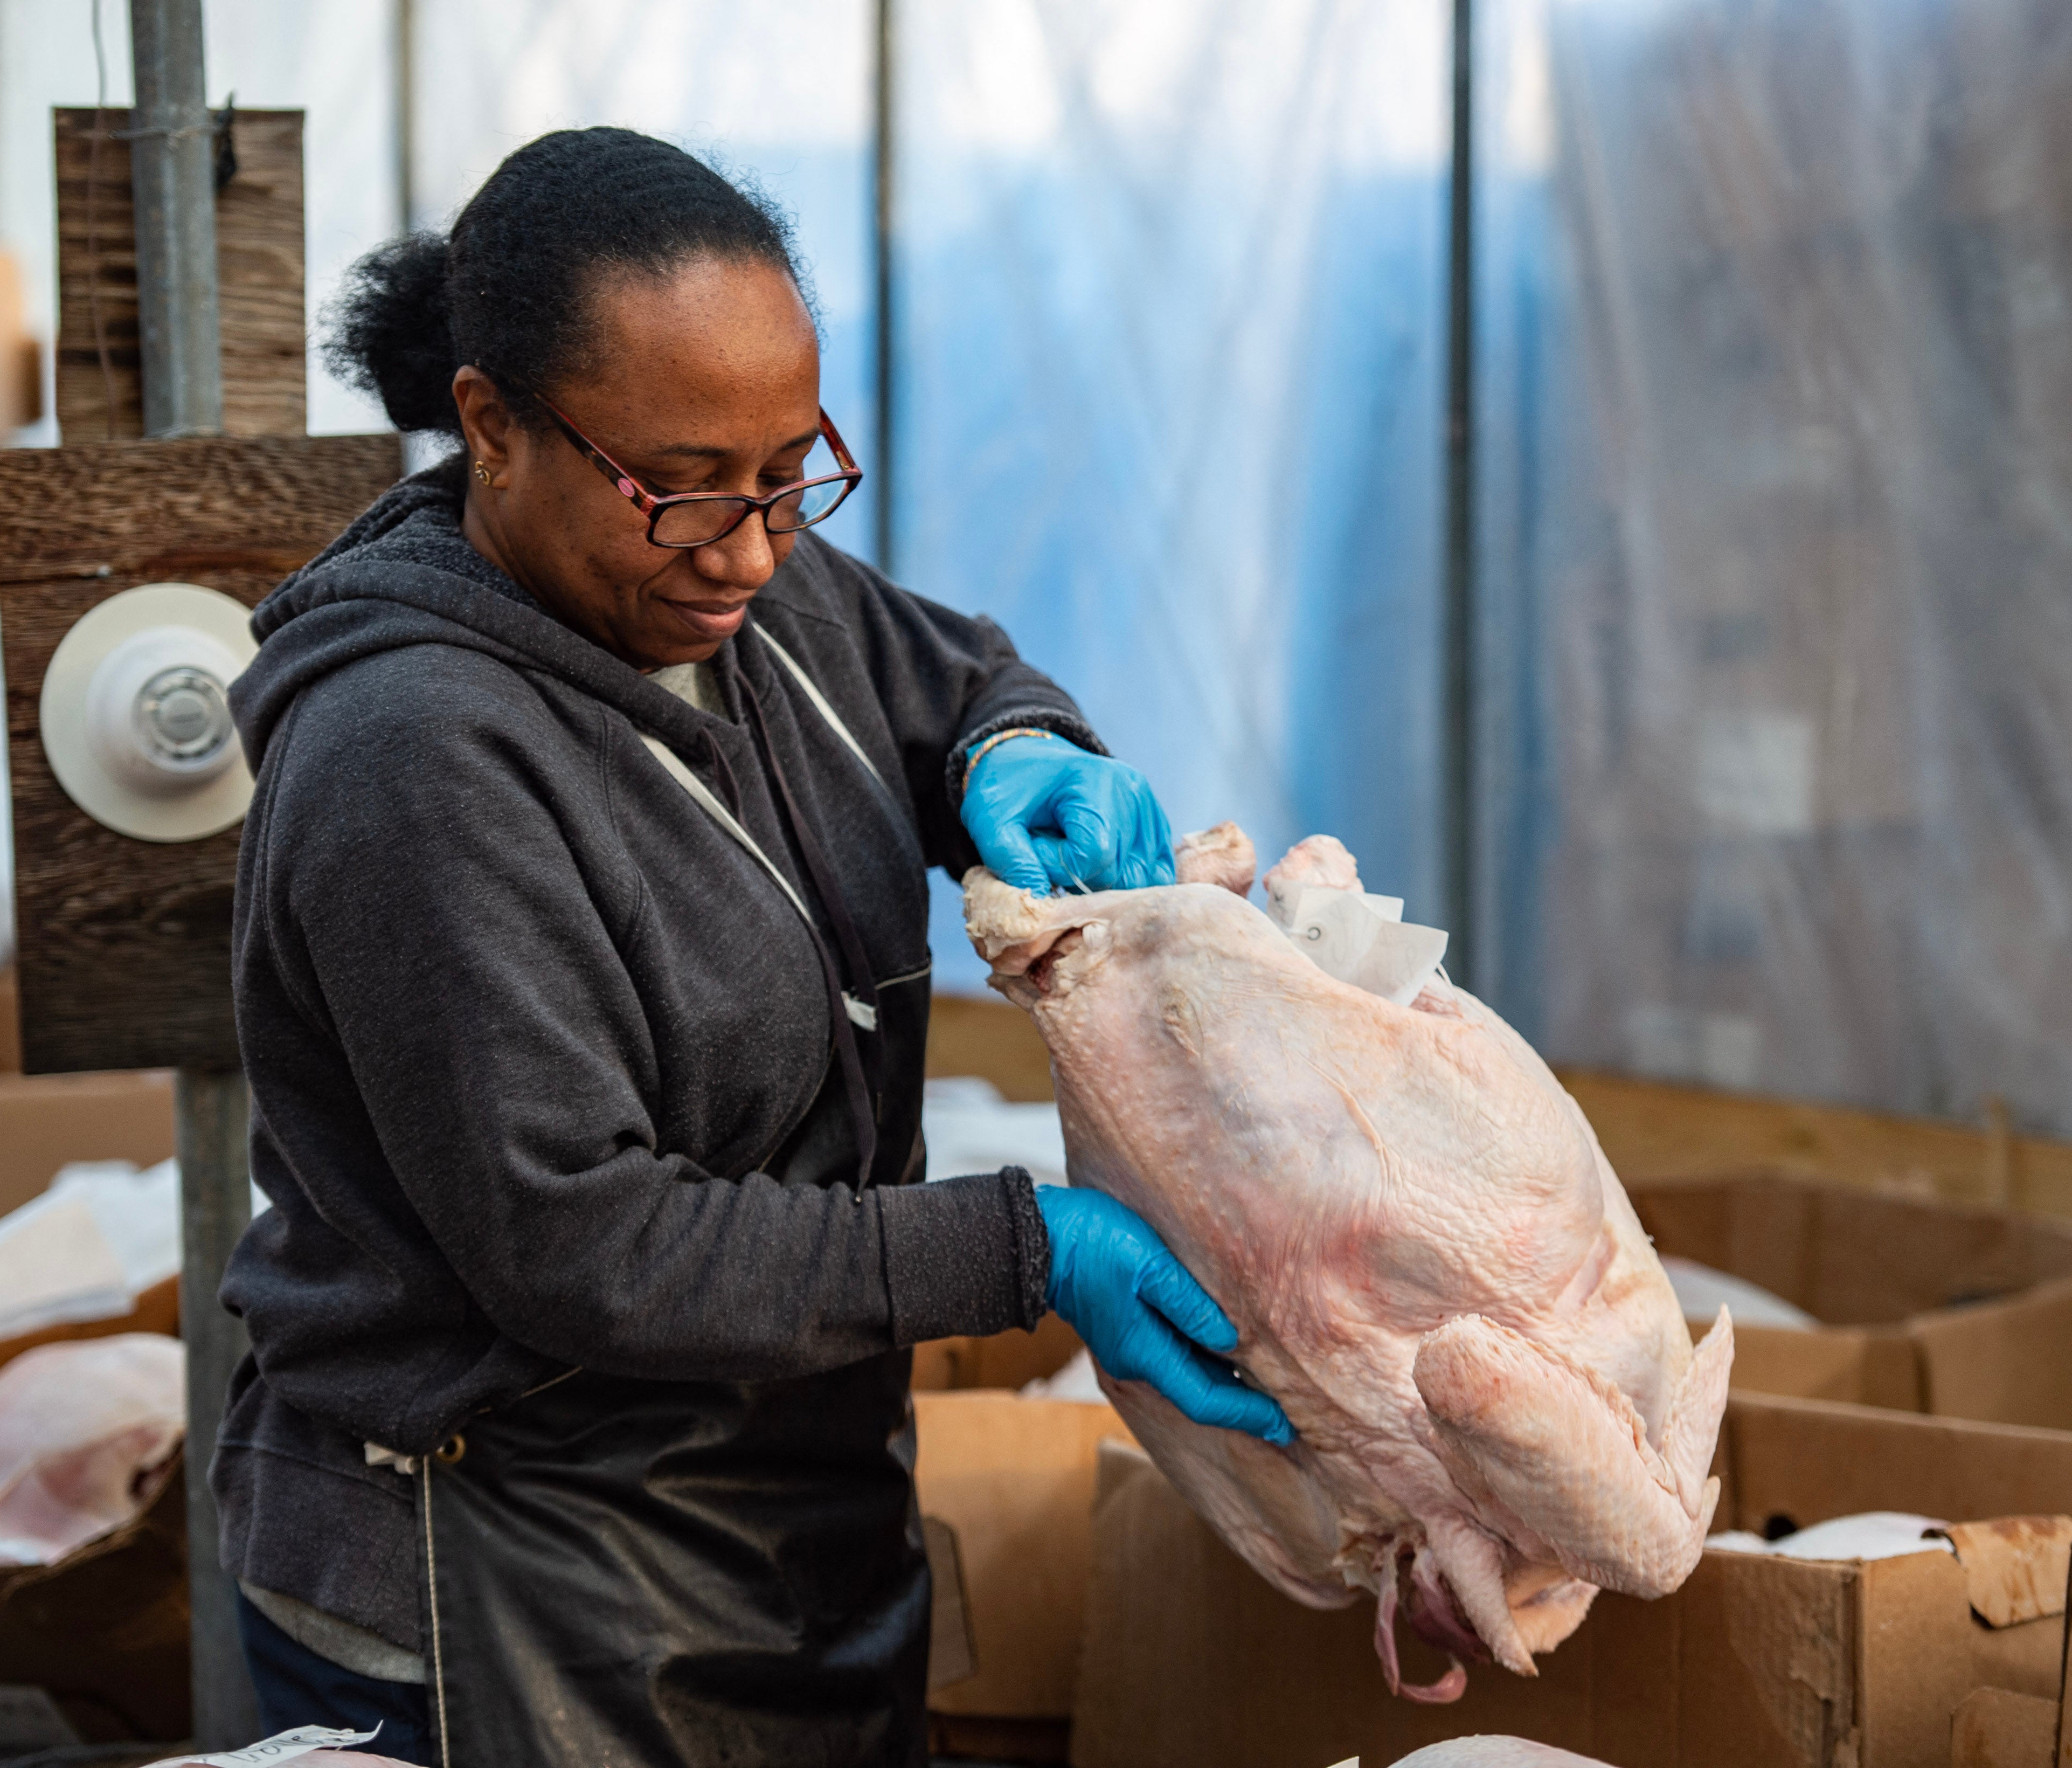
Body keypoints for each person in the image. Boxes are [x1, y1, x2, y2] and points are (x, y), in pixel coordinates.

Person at [211, 127, 1289, 1767]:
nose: (752, 544)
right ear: (493, 426)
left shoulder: (739, 579)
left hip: (795, 1521)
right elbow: (591, 1244)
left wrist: (1010, 750)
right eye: (683, 485)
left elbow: (939, 672)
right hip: (507, 1567)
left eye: (795, 468)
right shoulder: (412, 758)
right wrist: (1032, 1250)